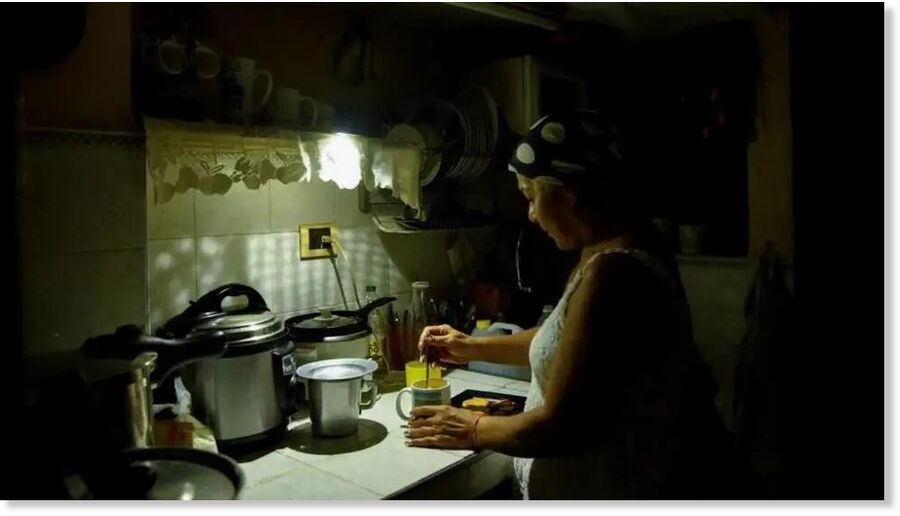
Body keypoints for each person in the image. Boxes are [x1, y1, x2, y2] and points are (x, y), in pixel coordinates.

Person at [409, 110, 738, 499]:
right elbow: (565, 341)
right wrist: (470, 347)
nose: (531, 215)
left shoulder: (615, 273)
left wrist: (470, 427)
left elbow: (561, 426)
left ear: (569, 191)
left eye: (531, 196)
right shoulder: (606, 252)